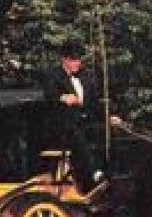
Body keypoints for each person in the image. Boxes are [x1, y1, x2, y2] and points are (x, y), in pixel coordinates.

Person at [41, 40, 105, 195]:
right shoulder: (53, 75)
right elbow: (49, 95)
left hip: (85, 122)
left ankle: (110, 171)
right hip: (61, 126)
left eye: (79, 59)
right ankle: (94, 171)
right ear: (64, 60)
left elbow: (96, 103)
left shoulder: (86, 77)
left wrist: (109, 116)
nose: (77, 63)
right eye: (73, 60)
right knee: (75, 131)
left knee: (104, 130)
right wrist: (62, 98)